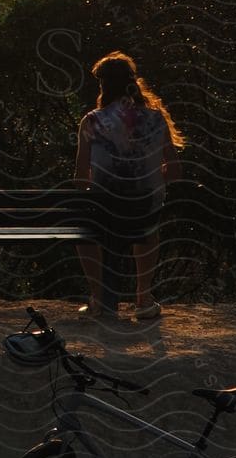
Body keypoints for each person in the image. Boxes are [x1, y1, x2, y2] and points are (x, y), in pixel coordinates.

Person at [73, 51, 184, 324]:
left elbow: (80, 178)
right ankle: (143, 298)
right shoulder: (156, 119)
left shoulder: (91, 121)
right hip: (143, 210)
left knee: (83, 233)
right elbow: (175, 170)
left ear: (103, 86)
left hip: (104, 213)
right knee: (148, 232)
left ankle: (98, 298)